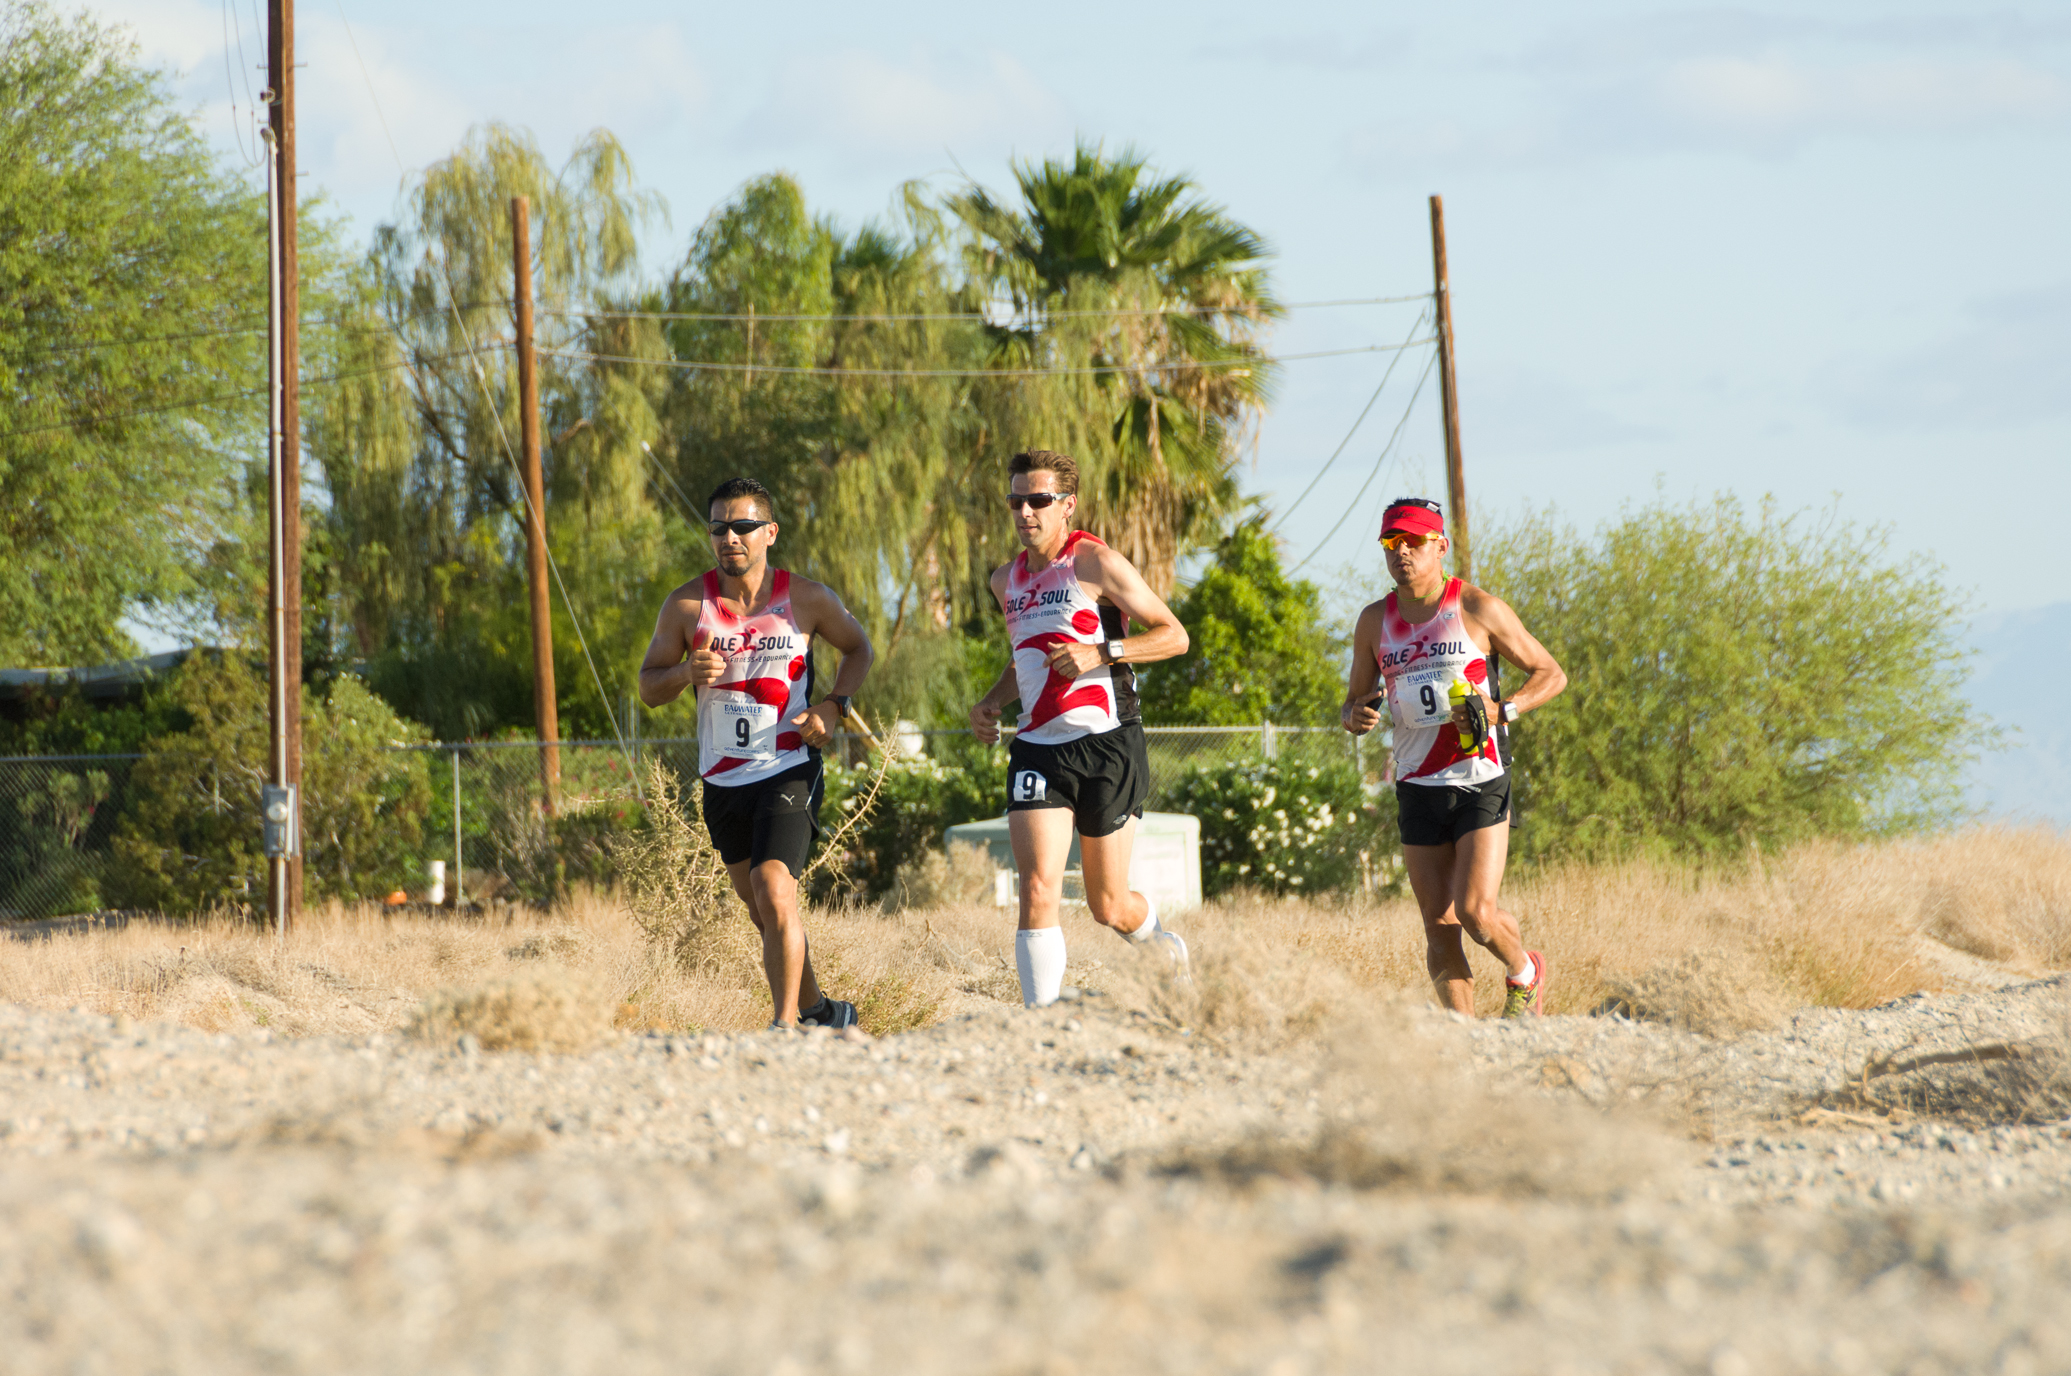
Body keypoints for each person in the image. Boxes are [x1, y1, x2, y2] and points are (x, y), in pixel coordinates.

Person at [638, 476, 875, 1031]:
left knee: (775, 889)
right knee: (762, 908)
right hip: (722, 780)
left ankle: (784, 1027)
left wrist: (835, 705)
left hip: (787, 765)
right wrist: (682, 672)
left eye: (743, 526)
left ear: (769, 532)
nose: (730, 538)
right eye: (719, 527)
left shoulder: (807, 599)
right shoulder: (687, 606)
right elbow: (649, 688)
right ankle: (819, 1010)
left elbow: (858, 647)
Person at [968, 449, 1192, 1007]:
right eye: (1016, 500)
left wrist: (1102, 652)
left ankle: (1165, 948)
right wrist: (991, 702)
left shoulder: (1093, 562)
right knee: (1038, 887)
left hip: (1107, 742)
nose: (1025, 511)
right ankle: (1039, 1023)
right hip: (1038, 748)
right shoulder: (1005, 581)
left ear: (1067, 505)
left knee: (1108, 906)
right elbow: (1026, 660)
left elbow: (1174, 636)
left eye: (1038, 500)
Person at [1340, 496, 1568, 1018]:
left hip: (1479, 775)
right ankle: (1466, 1042)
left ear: (1440, 546)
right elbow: (1353, 701)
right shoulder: (1375, 621)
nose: (1402, 552)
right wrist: (1355, 715)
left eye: (1414, 542)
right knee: (1438, 927)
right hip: (1417, 782)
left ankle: (1525, 972)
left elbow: (1551, 673)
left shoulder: (1475, 607)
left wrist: (1502, 707)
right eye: (1391, 543)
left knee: (1475, 914)